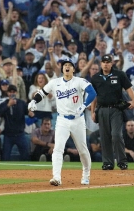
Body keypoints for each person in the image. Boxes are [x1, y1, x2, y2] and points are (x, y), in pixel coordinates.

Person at [28, 57, 96, 186]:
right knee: (58, 149)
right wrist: (33, 101)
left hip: (78, 120)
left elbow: (92, 93)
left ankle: (86, 174)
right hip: (62, 120)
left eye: (70, 65)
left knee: (82, 150)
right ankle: (56, 177)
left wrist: (84, 105)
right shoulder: (55, 82)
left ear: (73, 68)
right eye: (65, 65)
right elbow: (42, 92)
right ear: (62, 68)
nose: (67, 66)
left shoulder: (80, 81)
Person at [90, 54, 134, 171]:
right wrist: (92, 112)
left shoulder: (119, 74)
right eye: (104, 62)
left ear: (112, 63)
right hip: (101, 110)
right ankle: (108, 163)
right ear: (101, 63)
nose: (106, 64)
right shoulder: (95, 78)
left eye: (108, 62)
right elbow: (93, 97)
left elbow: (129, 88)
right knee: (105, 137)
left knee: (116, 135)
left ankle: (122, 161)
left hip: (116, 109)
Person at [0, 84, 34, 161]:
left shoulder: (21, 103)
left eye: (13, 91)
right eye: (10, 92)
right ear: (7, 93)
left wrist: (31, 114)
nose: (12, 93)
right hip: (8, 135)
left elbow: (29, 112)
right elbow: (0, 113)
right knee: (5, 157)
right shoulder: (3, 104)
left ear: (16, 93)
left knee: (25, 156)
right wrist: (8, 105)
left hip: (20, 134)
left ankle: (26, 172)